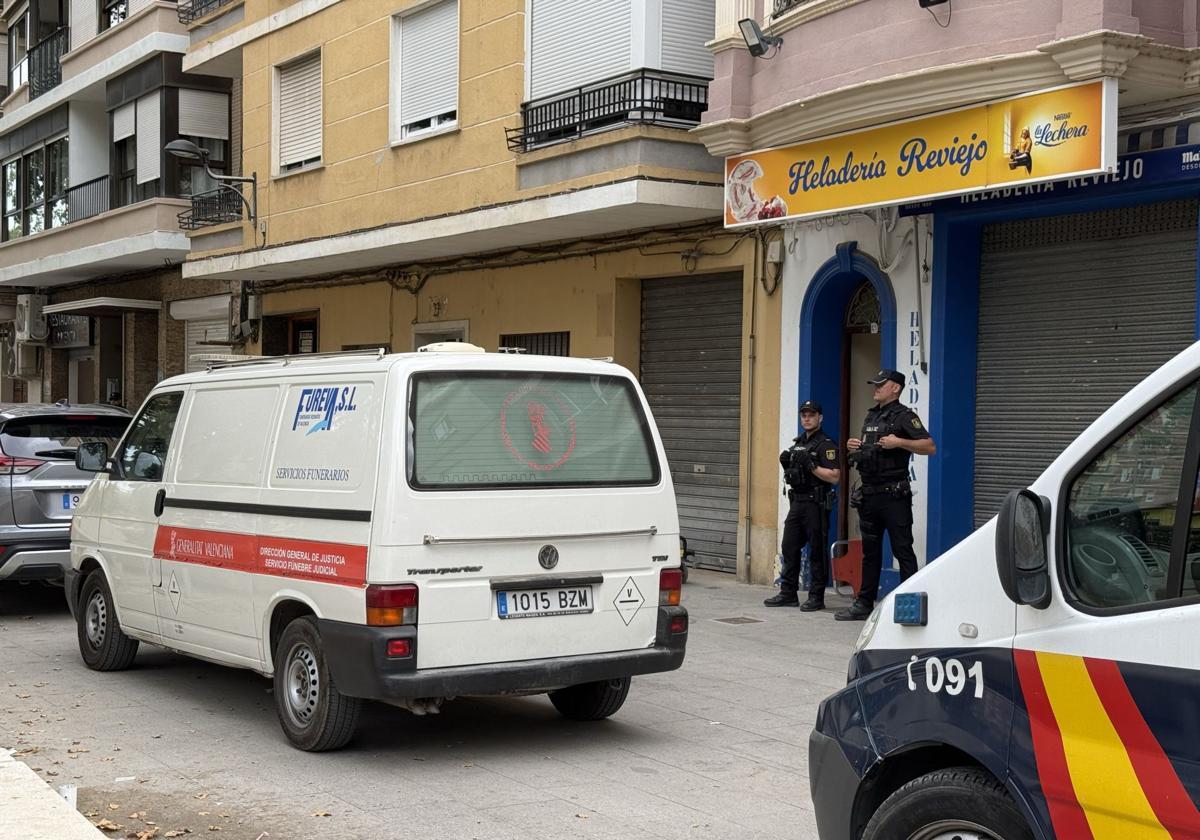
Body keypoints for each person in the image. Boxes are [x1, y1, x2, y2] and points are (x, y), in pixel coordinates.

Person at [837, 370, 935, 621]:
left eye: (881, 385)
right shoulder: (873, 415)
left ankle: (911, 605)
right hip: (870, 494)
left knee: (903, 550)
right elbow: (870, 449)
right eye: (875, 384)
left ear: (895, 388)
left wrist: (899, 443)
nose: (876, 388)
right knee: (870, 552)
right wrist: (854, 446)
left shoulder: (905, 417)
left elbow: (929, 446)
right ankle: (864, 603)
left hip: (894, 496)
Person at [765, 399, 840, 610]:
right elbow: (795, 476)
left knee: (817, 550)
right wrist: (787, 465)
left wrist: (812, 465)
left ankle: (816, 596)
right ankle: (788, 592)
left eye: (811, 415)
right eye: (804, 415)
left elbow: (834, 476)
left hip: (816, 504)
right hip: (797, 503)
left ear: (820, 418)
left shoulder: (826, 444)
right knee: (789, 546)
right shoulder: (798, 443)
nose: (807, 419)